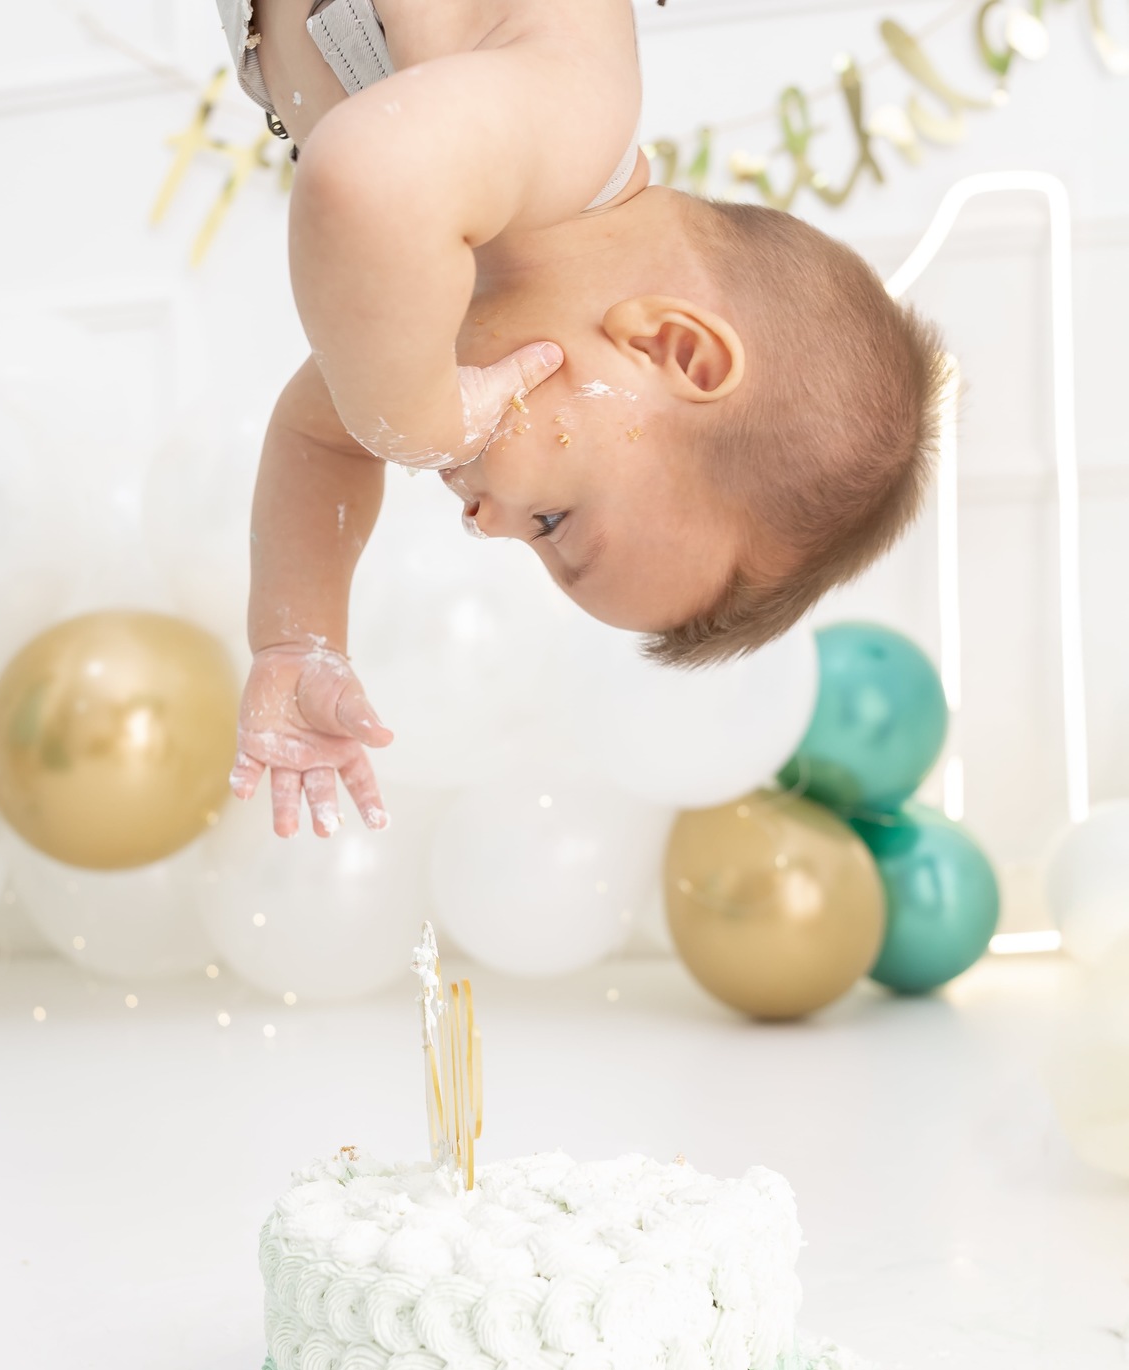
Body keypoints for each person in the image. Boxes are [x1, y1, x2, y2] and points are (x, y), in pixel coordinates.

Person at [217, 0, 946, 838]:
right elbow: (359, 174)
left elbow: (321, 440)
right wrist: (414, 423)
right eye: (554, 522)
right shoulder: (576, 110)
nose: (485, 525)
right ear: (676, 350)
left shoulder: (434, 312)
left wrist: (296, 636)